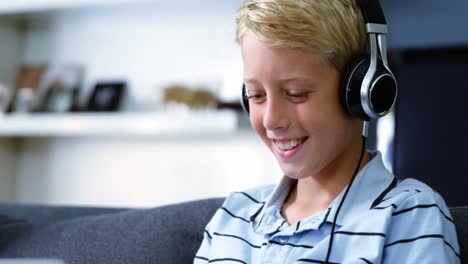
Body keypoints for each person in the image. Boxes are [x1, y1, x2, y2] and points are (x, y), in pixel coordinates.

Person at [194, 0, 460, 263]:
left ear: (361, 90)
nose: (271, 119)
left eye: (297, 94)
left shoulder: (406, 215)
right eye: (256, 95)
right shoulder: (232, 219)